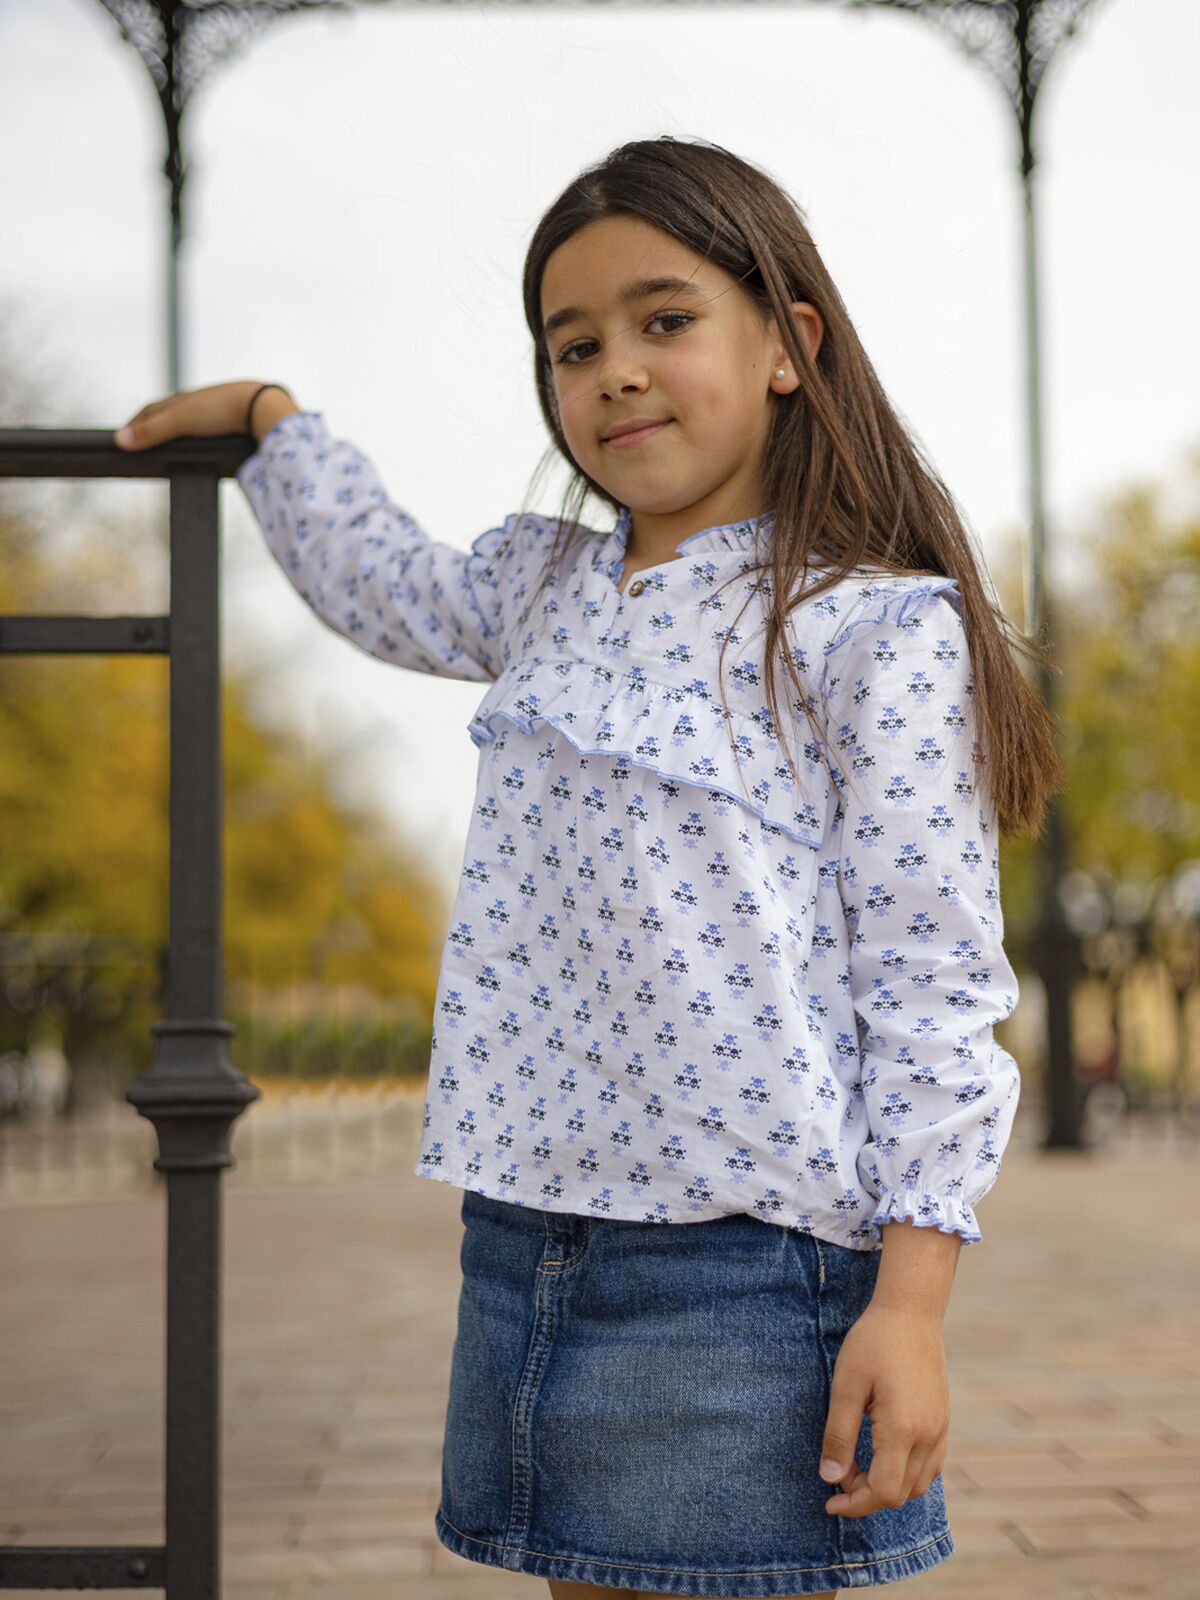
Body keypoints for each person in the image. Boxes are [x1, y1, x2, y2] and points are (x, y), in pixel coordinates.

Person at [114, 135, 1062, 1600]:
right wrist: (270, 424)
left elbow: (933, 981)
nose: (615, 368)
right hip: (530, 1237)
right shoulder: (536, 585)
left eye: (664, 321)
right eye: (574, 344)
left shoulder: (872, 629)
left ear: (787, 347)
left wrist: (913, 1306)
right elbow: (381, 583)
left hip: (748, 1264)